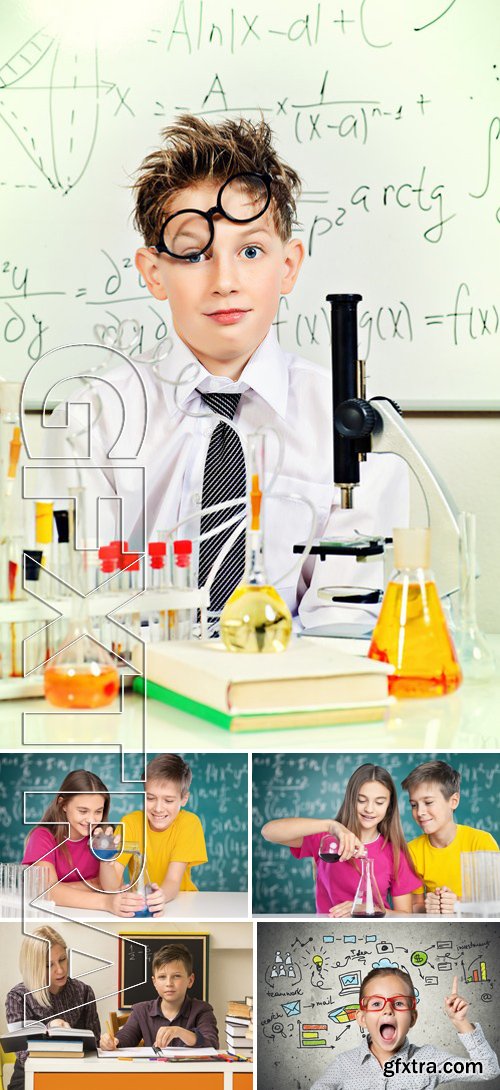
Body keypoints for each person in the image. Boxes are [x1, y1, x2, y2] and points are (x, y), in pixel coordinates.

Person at [41, 114, 408, 632]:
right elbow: (75, 603)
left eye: (251, 251)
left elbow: (348, 621)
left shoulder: (348, 423)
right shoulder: (91, 418)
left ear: (289, 266)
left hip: (288, 697)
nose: (225, 281)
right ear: (153, 273)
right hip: (139, 695)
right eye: (194, 254)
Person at [261, 763, 420, 916]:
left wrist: (365, 908)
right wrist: (330, 825)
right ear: (351, 799)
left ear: (389, 806)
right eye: (361, 800)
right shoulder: (326, 839)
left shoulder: (396, 853)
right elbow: (268, 832)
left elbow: (405, 916)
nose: (369, 809)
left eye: (379, 802)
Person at [309, 967, 499, 1089]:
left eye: (399, 1003)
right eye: (376, 1004)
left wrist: (460, 1022)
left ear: (412, 1018)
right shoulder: (344, 1064)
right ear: (362, 1018)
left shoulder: (428, 1061)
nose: (388, 1010)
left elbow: (488, 1069)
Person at [22, 769, 151, 916]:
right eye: (83, 811)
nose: (91, 820)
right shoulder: (42, 837)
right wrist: (102, 897)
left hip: (94, 917)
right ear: (63, 804)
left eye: (98, 812)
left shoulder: (102, 837)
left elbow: (112, 888)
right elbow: (47, 891)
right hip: (54, 918)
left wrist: (105, 861)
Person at [104, 753, 207, 915]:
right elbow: (111, 885)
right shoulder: (130, 823)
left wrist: (160, 896)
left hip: (181, 904)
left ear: (184, 799)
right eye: (150, 798)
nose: (158, 808)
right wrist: (105, 860)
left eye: (168, 801)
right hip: (140, 904)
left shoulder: (189, 824)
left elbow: (173, 880)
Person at [5, 925, 100, 1090]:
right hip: (30, 1078)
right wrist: (51, 1031)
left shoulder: (84, 992)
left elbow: (95, 1043)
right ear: (35, 967)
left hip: (74, 1077)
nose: (60, 970)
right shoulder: (18, 997)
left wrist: (104, 1043)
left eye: (62, 959)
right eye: (49, 965)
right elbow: (22, 1054)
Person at [401, 760, 499, 915]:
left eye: (428, 802)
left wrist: (458, 904)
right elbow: (414, 906)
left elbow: (496, 903)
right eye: (414, 805)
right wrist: (429, 906)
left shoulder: (481, 842)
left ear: (453, 801)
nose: (420, 812)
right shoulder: (412, 851)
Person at [99, 942, 218, 1051]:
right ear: (155, 982)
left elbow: (212, 1043)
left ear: (190, 980)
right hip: (154, 1072)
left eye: (176, 976)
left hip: (189, 1072)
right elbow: (126, 1036)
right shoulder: (141, 1010)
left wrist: (179, 1032)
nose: (169, 983)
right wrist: (112, 1041)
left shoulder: (202, 1010)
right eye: (162, 977)